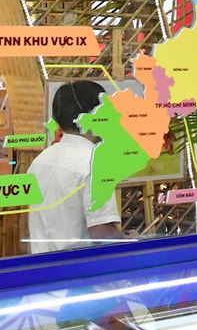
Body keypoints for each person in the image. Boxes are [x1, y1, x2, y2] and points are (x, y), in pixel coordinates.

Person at [26, 80, 126, 252]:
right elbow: (101, 233)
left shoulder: (39, 162)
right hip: (80, 266)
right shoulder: (95, 164)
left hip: (43, 265)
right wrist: (131, 241)